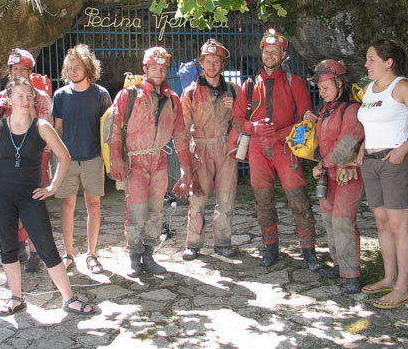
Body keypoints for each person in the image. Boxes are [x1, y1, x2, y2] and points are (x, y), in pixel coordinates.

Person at [0, 77, 94, 316]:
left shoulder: (41, 126)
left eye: (29, 96)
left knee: (47, 247)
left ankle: (69, 298)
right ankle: (16, 298)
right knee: (8, 249)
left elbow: (64, 156)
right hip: (3, 197)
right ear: (9, 99)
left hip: (31, 197)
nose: (26, 101)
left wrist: (52, 187)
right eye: (20, 96)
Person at [232, 28, 322, 270]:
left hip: (286, 148)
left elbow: (306, 119)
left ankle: (308, 250)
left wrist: (280, 134)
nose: (270, 55)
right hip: (258, 149)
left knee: (299, 199)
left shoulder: (296, 83)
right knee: (263, 201)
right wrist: (254, 127)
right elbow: (237, 119)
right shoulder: (249, 85)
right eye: (267, 51)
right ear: (261, 53)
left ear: (284, 54)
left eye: (275, 51)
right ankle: (271, 248)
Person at [356, 40, 408, 309]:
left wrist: (403, 149)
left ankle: (402, 287)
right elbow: (370, 123)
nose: (367, 64)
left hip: (395, 161)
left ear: (388, 62)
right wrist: (363, 148)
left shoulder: (403, 87)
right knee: (381, 223)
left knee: (400, 226)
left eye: (371, 59)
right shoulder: (369, 90)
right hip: (372, 162)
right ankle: (389, 277)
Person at [109, 46, 193, 276]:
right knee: (136, 212)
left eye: (163, 68)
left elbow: (180, 135)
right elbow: (114, 127)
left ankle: (149, 254)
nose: (159, 71)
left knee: (156, 211)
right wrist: (116, 159)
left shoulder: (172, 99)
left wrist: (185, 170)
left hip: (159, 162)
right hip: (135, 162)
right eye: (154, 67)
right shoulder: (129, 94)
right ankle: (134, 257)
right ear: (145, 68)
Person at [0, 48, 53, 272]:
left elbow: (44, 129)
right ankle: (19, 245)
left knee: (32, 206)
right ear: (9, 72)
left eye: (24, 68)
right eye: (15, 69)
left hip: (34, 162)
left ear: (31, 72)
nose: (19, 72)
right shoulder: (5, 96)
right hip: (6, 164)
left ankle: (35, 253)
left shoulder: (39, 98)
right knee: (10, 207)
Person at [304, 60, 364, 293]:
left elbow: (347, 144)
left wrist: (323, 165)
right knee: (329, 220)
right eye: (320, 88)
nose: (322, 91)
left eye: (326, 86)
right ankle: (339, 263)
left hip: (347, 173)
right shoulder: (324, 110)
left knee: (342, 220)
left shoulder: (352, 110)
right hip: (328, 175)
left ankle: (351, 274)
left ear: (340, 84)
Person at [52, 45, 111, 274]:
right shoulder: (60, 95)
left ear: (88, 68)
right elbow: (58, 129)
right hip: (67, 160)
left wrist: (109, 160)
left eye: (78, 66)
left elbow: (107, 130)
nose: (74, 71)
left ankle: (92, 254)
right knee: (67, 205)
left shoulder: (101, 94)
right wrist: (56, 161)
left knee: (93, 205)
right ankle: (67, 253)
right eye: (70, 67)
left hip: (93, 158)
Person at [179, 39, 239, 261]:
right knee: (197, 198)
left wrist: (235, 110)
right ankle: (193, 244)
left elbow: (243, 120)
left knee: (226, 198)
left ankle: (223, 243)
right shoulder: (190, 93)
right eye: (208, 61)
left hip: (225, 148)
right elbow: (183, 128)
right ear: (201, 62)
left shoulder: (234, 90)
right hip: (201, 149)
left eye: (216, 61)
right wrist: (185, 161)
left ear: (222, 63)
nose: (212, 65)